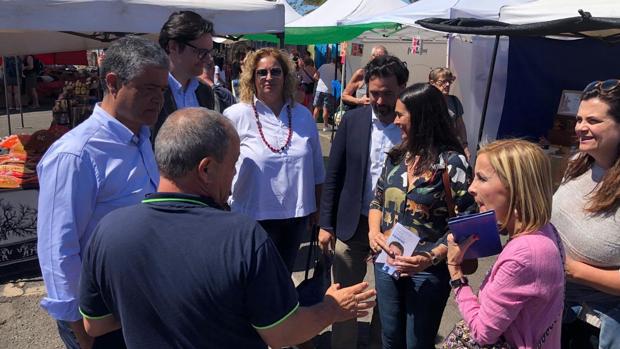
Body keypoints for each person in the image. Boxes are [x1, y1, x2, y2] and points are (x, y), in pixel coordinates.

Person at [78, 107, 376, 349]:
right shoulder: (241, 237)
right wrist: (332, 308)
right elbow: (282, 333)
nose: (234, 176)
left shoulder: (109, 230)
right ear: (206, 169)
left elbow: (95, 323)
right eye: (233, 164)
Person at [36, 36, 168, 349]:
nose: (158, 99)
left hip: (141, 305)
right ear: (113, 82)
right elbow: (58, 250)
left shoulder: (142, 138)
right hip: (99, 319)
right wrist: (81, 330)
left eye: (161, 90)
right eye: (149, 88)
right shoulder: (76, 154)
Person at [369, 83, 477, 348]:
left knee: (417, 342)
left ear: (422, 117)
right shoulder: (397, 156)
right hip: (387, 262)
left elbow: (467, 223)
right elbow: (378, 199)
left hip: (427, 270)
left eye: (400, 115)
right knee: (390, 337)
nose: (395, 122)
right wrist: (373, 232)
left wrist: (428, 258)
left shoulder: (452, 163)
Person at [318, 54, 409, 349]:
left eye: (387, 94)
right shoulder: (353, 121)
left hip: (395, 231)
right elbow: (334, 174)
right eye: (373, 94)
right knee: (345, 299)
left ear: (402, 88)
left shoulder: (413, 126)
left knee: (389, 300)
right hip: (351, 224)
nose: (380, 101)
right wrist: (326, 224)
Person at [446, 139, 565, 348]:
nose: (471, 188)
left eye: (481, 178)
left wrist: (455, 272)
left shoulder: (524, 254)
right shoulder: (545, 230)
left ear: (516, 189)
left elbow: (482, 334)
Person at [223, 48, 325, 274]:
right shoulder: (235, 115)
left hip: (295, 217)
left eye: (275, 72)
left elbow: (317, 169)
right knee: (252, 281)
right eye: (262, 73)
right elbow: (220, 168)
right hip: (251, 217)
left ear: (286, 76)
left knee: (282, 282)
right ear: (252, 78)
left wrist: (318, 210)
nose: (269, 78)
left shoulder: (303, 115)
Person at [551, 79, 620, 349]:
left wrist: (575, 271)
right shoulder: (577, 163)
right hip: (556, 308)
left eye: (593, 120)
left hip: (596, 327)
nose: (580, 127)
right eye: (579, 119)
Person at [152, 10, 216, 141]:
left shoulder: (205, 92)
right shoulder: (150, 91)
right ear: (173, 47)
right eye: (201, 52)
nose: (208, 59)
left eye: (209, 52)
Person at [428, 68, 469, 159]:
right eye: (442, 82)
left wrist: (465, 146)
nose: (447, 85)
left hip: (452, 149)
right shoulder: (426, 102)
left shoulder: (454, 101)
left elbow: (460, 126)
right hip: (432, 150)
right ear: (432, 83)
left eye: (449, 81)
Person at [341, 45, 388, 110]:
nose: (378, 59)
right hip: (361, 114)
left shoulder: (389, 77)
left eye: (381, 57)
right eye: (375, 56)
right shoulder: (361, 73)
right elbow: (344, 96)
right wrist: (359, 101)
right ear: (371, 57)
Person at [313, 56, 341, 131]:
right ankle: (325, 126)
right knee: (325, 108)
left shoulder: (323, 66)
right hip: (328, 91)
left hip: (319, 89)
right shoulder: (337, 70)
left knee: (317, 107)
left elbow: (315, 76)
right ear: (338, 63)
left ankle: (313, 124)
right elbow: (338, 83)